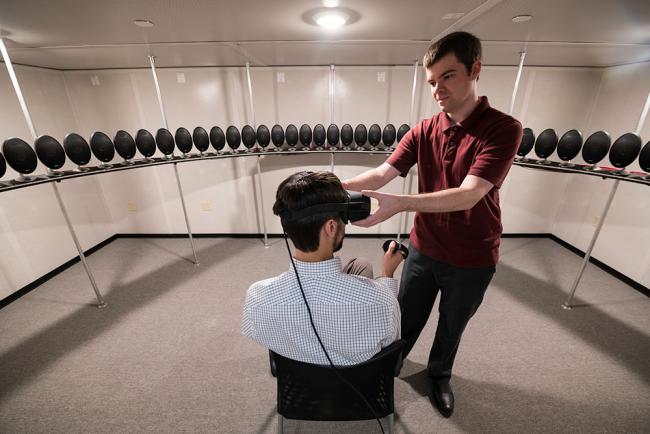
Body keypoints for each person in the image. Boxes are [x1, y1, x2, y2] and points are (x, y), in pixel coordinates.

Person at [342, 31, 523, 416]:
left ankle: (439, 375)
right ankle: (388, 366)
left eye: (448, 76)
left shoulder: (503, 128)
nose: (438, 89)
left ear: (476, 69)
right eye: (432, 81)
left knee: (451, 326)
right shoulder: (424, 129)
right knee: (404, 317)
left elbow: (469, 193)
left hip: (473, 255)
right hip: (425, 247)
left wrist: (400, 205)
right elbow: (382, 173)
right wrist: (328, 187)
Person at [241, 171, 404, 366]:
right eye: (343, 218)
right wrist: (387, 275)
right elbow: (390, 352)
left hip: (299, 390)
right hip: (356, 390)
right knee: (363, 270)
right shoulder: (380, 299)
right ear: (331, 227)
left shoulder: (257, 296)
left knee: (359, 265)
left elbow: (259, 335)